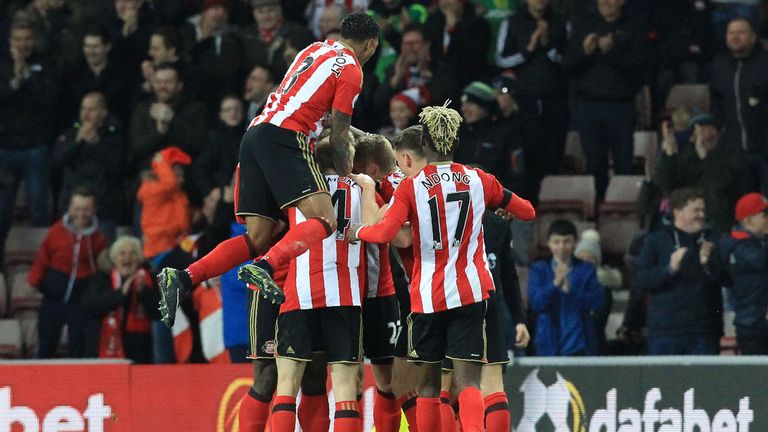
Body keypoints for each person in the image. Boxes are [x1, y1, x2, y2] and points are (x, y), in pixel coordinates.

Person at [156, 12, 380, 327]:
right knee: (324, 219)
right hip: (287, 137)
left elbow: (300, 100)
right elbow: (340, 137)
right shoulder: (353, 70)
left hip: (255, 133)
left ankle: (183, 276)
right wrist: (349, 179)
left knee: (259, 235)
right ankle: (266, 266)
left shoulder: (313, 49)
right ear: (371, 45)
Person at [348, 102, 535, 431]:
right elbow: (528, 212)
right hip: (471, 293)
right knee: (472, 385)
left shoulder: (411, 185)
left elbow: (386, 233)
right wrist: (501, 206)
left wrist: (359, 230)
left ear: (418, 150)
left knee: (431, 389)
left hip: (428, 297)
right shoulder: (479, 178)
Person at [237, 136, 370, 432]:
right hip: (273, 281)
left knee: (310, 376)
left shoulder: (300, 174)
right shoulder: (264, 163)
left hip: (300, 286)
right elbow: (257, 229)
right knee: (266, 374)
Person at [563, 0, 647, 200]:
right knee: (594, 163)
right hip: (588, 105)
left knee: (623, 162)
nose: (605, 2)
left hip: (621, 105)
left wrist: (613, 52)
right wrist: (585, 52)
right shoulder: (583, 24)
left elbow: (640, 68)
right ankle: (597, 210)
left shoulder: (633, 26)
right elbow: (568, 66)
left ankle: (623, 207)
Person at [633, 188, 726, 355]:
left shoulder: (715, 239)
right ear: (678, 212)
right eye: (696, 210)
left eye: (703, 210)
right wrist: (669, 269)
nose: (701, 214)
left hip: (704, 330)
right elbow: (640, 280)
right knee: (665, 381)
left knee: (703, 381)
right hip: (666, 330)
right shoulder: (656, 240)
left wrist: (710, 264)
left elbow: (729, 280)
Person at [0, 18, 58, 260]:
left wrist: (26, 75)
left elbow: (46, 100)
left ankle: (38, 260)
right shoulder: (2, 66)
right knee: (3, 210)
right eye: (17, 40)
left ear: (33, 41)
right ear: (10, 42)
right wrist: (15, 78)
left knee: (38, 208)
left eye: (27, 39)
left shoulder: (44, 64)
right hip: (6, 147)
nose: (22, 44)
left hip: (36, 147)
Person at [28, 187, 109, 358]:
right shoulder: (56, 231)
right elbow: (43, 257)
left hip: (80, 302)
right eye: (77, 208)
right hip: (53, 299)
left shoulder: (98, 237)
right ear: (70, 209)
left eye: (86, 209)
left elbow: (103, 265)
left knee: (78, 347)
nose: (81, 213)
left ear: (93, 210)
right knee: (46, 345)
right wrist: (34, 280)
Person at [495, 0, 569, 179]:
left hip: (555, 98)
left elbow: (569, 60)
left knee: (554, 153)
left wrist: (547, 44)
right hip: (524, 98)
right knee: (527, 153)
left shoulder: (561, 22)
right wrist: (528, 50)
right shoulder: (512, 22)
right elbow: (500, 59)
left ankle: (552, 200)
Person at [655, 112, 750, 232]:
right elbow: (667, 185)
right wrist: (668, 156)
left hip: (721, 220)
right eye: (701, 131)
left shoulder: (731, 156)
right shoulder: (685, 157)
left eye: (711, 129)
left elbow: (721, 184)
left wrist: (706, 158)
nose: (707, 135)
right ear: (692, 137)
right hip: (690, 221)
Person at [53, 92, 123, 242]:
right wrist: (77, 142)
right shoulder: (71, 133)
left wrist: (97, 144)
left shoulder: (114, 135)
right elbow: (57, 161)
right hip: (73, 209)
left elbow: (117, 167)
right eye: (83, 109)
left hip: (103, 209)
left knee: (104, 258)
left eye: (92, 110)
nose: (86, 114)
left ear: (103, 112)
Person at [528, 220, 605, 356]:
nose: (562, 247)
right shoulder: (539, 269)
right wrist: (555, 284)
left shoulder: (586, 269)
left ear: (575, 242)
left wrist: (571, 290)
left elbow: (597, 301)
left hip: (580, 344)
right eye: (556, 242)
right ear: (549, 244)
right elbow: (536, 304)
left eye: (567, 241)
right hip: (548, 343)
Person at [710, 17, 768, 194]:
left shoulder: (765, 63)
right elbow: (716, 102)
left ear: (753, 37)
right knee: (744, 207)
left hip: (765, 149)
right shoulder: (719, 65)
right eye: (731, 32)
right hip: (735, 152)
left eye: (741, 32)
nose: (735, 37)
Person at [83, 236, 155, 363]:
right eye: (122, 253)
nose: (127, 258)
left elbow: (158, 312)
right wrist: (120, 293)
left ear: (139, 259)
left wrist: (144, 292)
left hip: (138, 349)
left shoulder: (148, 279)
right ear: (114, 258)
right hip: (102, 346)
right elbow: (92, 307)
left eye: (133, 253)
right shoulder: (101, 279)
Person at [129, 62, 208, 173]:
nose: (162, 86)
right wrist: (159, 133)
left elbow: (199, 144)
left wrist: (172, 120)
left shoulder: (195, 109)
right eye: (158, 82)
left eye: (168, 82)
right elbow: (136, 148)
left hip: (186, 175)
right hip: (150, 176)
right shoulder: (143, 109)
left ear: (179, 85)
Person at [721, 193, 768, 354]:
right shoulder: (739, 246)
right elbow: (760, 261)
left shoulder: (758, 243)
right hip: (754, 325)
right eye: (765, 214)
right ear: (749, 220)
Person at [137, 147, 192, 261]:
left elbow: (183, 225)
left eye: (182, 176)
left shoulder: (178, 195)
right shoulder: (150, 190)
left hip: (174, 247)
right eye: (176, 175)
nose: (181, 180)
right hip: (159, 251)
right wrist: (161, 161)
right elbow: (170, 184)